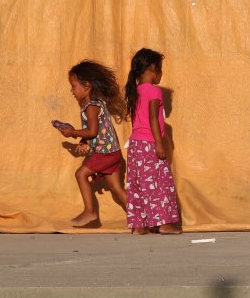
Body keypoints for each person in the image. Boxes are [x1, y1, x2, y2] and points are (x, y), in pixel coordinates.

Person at [51, 60, 127, 228]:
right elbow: (94, 131)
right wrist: (83, 140)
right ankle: (142, 216)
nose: (72, 91)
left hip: (104, 153)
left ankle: (90, 211)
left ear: (86, 86)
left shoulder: (91, 107)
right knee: (116, 188)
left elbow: (92, 131)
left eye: (74, 86)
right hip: (113, 153)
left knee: (80, 174)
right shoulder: (96, 103)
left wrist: (72, 133)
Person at [124, 48, 181, 234]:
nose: (161, 74)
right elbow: (153, 118)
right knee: (159, 184)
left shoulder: (136, 91)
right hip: (149, 144)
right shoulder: (154, 91)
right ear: (151, 69)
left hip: (135, 146)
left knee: (137, 184)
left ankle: (138, 226)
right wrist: (159, 142)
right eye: (160, 69)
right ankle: (163, 224)